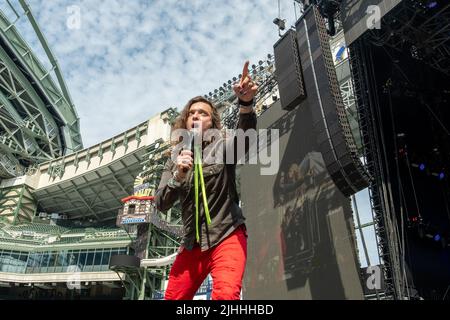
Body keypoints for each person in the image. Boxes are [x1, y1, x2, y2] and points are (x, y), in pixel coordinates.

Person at [155, 61, 258, 300]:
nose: (196, 116)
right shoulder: (173, 159)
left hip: (227, 234)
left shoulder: (223, 145)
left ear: (212, 121)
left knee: (225, 295)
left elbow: (246, 140)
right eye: (191, 113)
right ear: (185, 121)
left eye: (203, 113)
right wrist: (178, 176)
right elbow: (160, 204)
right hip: (192, 244)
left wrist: (245, 104)